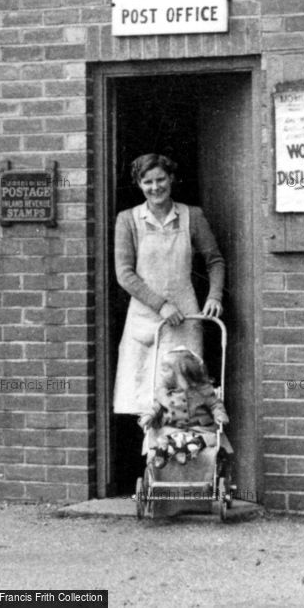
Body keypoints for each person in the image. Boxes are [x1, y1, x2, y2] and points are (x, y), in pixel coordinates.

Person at [113, 153, 225, 415]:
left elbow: (215, 261)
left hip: (184, 320)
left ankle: (184, 455)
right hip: (144, 322)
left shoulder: (191, 216)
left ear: (171, 178)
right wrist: (161, 305)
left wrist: (214, 296)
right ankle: (154, 456)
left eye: (161, 179)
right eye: (147, 182)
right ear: (139, 184)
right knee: (145, 401)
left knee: (185, 399)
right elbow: (125, 274)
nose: (155, 187)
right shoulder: (127, 220)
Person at [138, 346, 229, 469]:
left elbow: (215, 404)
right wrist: (148, 416)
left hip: (199, 429)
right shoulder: (163, 392)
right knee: (167, 438)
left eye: (165, 370)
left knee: (204, 440)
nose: (161, 373)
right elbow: (155, 407)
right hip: (172, 429)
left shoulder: (202, 390)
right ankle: (164, 450)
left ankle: (185, 451)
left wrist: (219, 414)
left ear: (181, 374)